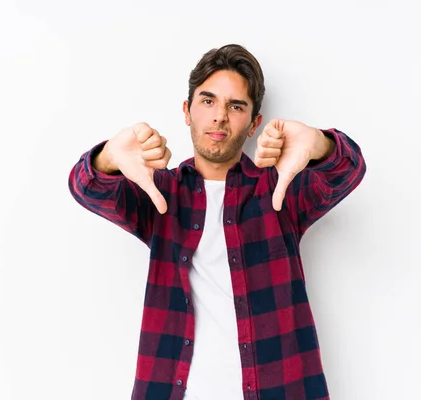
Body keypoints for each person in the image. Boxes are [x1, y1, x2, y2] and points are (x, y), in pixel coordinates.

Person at [68, 44, 366, 400]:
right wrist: (108, 157)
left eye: (235, 106)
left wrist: (318, 143)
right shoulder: (161, 193)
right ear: (187, 110)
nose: (219, 116)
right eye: (207, 101)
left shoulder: (278, 190)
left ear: (255, 122)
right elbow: (86, 188)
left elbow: (347, 170)